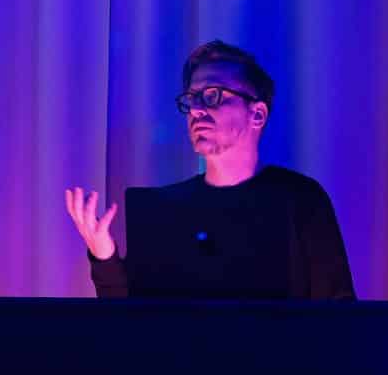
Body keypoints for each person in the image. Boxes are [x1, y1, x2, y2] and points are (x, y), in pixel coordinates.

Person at [62, 40, 355, 300]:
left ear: (257, 114)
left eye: (212, 95)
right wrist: (104, 255)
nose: (196, 110)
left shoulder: (299, 199)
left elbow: (336, 315)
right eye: (191, 99)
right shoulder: (167, 210)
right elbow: (136, 321)